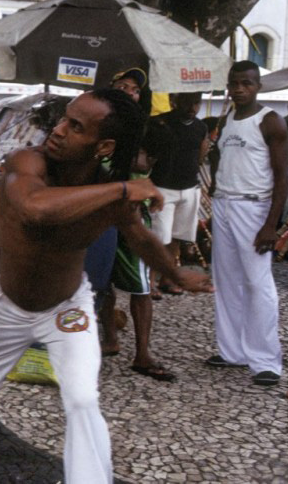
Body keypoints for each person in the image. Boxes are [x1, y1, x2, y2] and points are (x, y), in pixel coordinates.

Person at [0, 89, 213, 484]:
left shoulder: (109, 192)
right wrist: (125, 189)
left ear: (105, 145)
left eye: (75, 126)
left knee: (82, 398)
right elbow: (36, 208)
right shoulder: (26, 162)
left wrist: (176, 274)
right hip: (9, 306)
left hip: (67, 308)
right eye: (64, 118)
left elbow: (141, 238)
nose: (59, 130)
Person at [207, 60, 288, 386]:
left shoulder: (271, 121)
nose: (240, 89)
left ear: (258, 86)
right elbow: (222, 157)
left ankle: (266, 360)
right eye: (234, 83)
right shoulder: (227, 118)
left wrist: (271, 225)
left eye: (247, 83)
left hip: (254, 209)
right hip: (224, 205)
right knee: (226, 281)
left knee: (258, 283)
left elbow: (283, 177)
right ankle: (232, 352)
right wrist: (215, 181)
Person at [97, 68, 175, 382]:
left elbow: (146, 165)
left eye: (134, 89)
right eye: (123, 86)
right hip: (99, 214)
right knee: (102, 285)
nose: (129, 91)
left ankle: (142, 353)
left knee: (141, 287)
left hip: (131, 216)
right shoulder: (97, 122)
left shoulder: (148, 128)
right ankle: (110, 338)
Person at [144, 92, 208, 296]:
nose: (192, 107)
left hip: (189, 188)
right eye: (187, 101)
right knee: (159, 237)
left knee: (177, 238)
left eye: (196, 102)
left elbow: (201, 153)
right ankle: (150, 281)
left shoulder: (201, 127)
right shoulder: (159, 123)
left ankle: (168, 279)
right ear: (174, 100)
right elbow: (147, 154)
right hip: (163, 188)